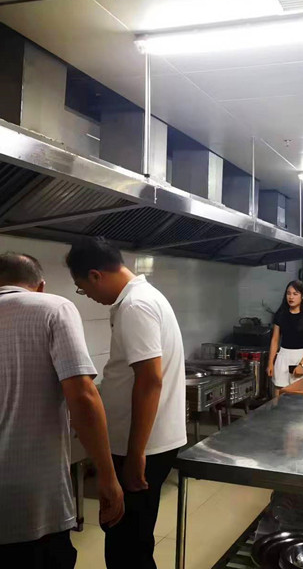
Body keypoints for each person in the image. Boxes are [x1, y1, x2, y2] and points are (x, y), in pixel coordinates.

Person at [0, 253, 123, 569]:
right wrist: (108, 477)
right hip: (31, 505)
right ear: (41, 286)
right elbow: (83, 398)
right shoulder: (54, 308)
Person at [66, 237, 186, 569]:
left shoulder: (136, 306)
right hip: (147, 443)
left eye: (82, 288)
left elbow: (150, 380)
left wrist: (135, 455)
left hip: (142, 447)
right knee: (132, 541)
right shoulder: (142, 298)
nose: (88, 295)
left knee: (126, 548)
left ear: (95, 275)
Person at [267, 280, 303, 389]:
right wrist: (270, 363)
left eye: (295, 294)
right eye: (288, 293)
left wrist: (302, 364)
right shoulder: (280, 315)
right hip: (284, 356)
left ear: (302, 296)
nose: (291, 297)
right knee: (280, 393)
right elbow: (275, 340)